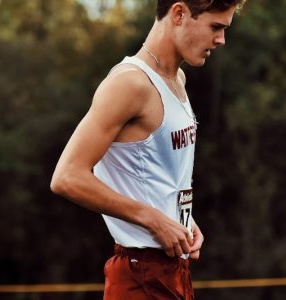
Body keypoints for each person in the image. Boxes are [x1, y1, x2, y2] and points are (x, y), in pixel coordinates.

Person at [51, 0, 244, 298]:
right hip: (139, 274)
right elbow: (67, 177)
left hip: (173, 272)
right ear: (178, 14)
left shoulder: (178, 80)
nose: (221, 40)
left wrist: (182, 220)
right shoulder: (130, 83)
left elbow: (155, 173)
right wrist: (153, 219)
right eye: (215, 27)